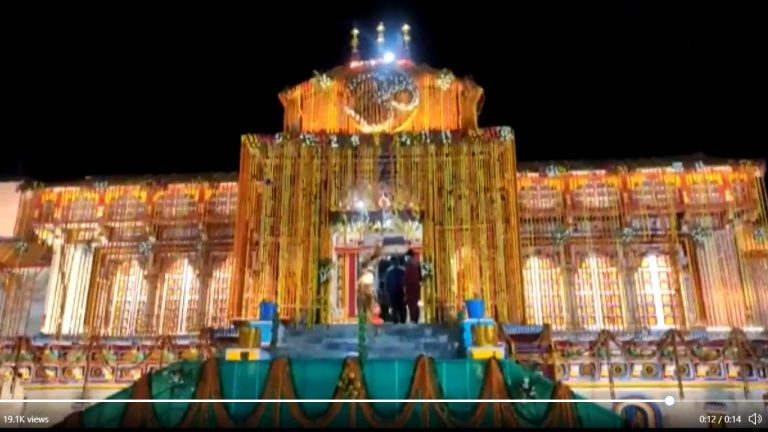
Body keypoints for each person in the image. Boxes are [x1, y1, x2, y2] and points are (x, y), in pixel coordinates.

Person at [384, 256, 406, 323]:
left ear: (392, 262)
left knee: (394, 307)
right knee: (401, 306)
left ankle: (396, 320)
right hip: (400, 291)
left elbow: (386, 282)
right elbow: (406, 281)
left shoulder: (389, 271)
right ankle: (402, 320)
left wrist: (386, 292)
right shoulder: (403, 270)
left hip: (393, 292)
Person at [403, 249, 421, 323]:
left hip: (410, 287)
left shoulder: (408, 264)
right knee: (415, 304)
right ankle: (415, 319)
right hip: (416, 286)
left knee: (411, 305)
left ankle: (413, 319)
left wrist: (404, 286)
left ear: (408, 256)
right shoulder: (417, 262)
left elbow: (406, 277)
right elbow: (421, 276)